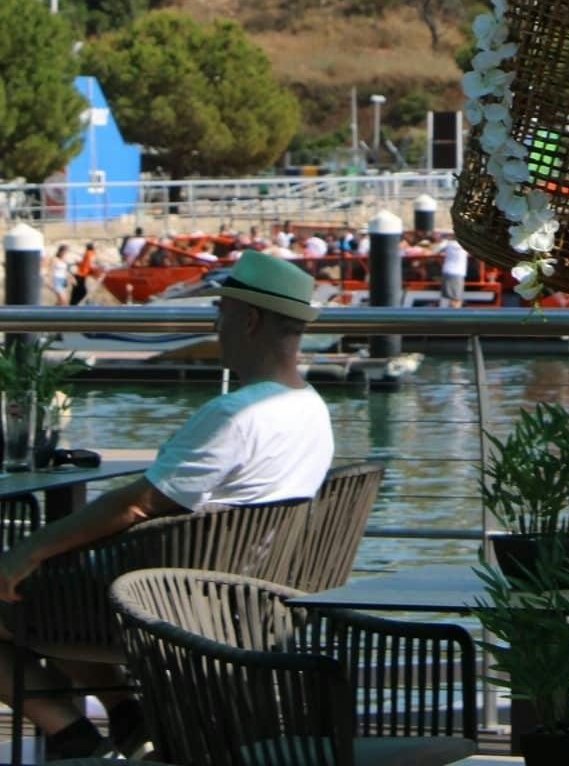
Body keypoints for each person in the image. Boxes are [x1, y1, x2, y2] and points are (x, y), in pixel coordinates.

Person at [0, 247, 334, 759]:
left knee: (27, 578)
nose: (216, 323)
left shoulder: (234, 415)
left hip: (166, 599)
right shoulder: (311, 410)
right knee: (56, 580)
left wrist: (34, 548)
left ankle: (68, 732)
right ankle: (127, 716)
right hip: (241, 590)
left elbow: (139, 505)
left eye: (220, 311)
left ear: (249, 320)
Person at [439, 237, 469, 307]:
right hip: (457, 273)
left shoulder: (447, 243)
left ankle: (453, 315)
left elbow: (435, 249)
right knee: (456, 298)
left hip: (448, 271)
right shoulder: (465, 244)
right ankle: (455, 316)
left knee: (453, 298)